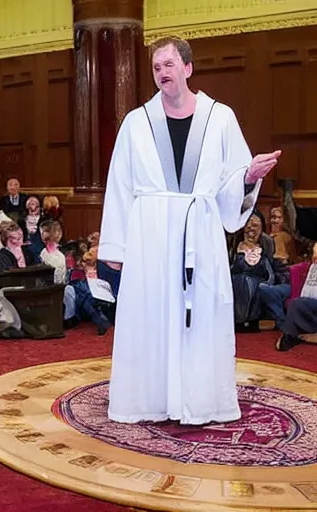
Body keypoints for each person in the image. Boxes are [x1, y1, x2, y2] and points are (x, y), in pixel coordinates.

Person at [99, 36, 281, 425]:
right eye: (156, 67)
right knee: (152, 313)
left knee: (200, 316)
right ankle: (150, 398)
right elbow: (120, 184)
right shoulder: (136, 122)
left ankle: (199, 399)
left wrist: (248, 176)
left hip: (200, 231)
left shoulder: (221, 117)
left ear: (187, 68)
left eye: (168, 64)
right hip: (150, 237)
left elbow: (233, 177)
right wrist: (116, 245)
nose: (162, 72)